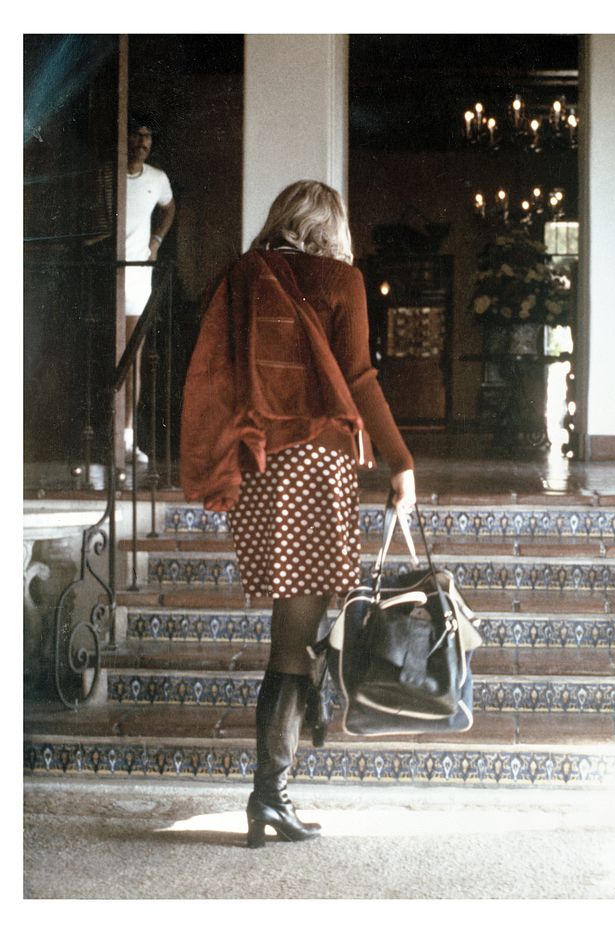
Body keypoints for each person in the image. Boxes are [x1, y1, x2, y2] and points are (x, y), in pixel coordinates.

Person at [179, 180, 416, 848]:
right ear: (331, 229)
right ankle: (270, 796)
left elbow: (215, 375)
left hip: (261, 472)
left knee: (296, 631)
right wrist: (400, 462)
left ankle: (276, 786)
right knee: (295, 641)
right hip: (317, 469)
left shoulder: (241, 276)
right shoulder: (342, 282)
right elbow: (361, 378)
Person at [124, 114, 176, 462]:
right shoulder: (110, 174)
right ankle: (110, 438)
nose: (143, 143)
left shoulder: (157, 179)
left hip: (138, 276)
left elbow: (170, 208)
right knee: (110, 357)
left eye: (148, 137)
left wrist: (156, 240)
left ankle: (127, 437)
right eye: (137, 136)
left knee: (132, 358)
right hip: (109, 274)